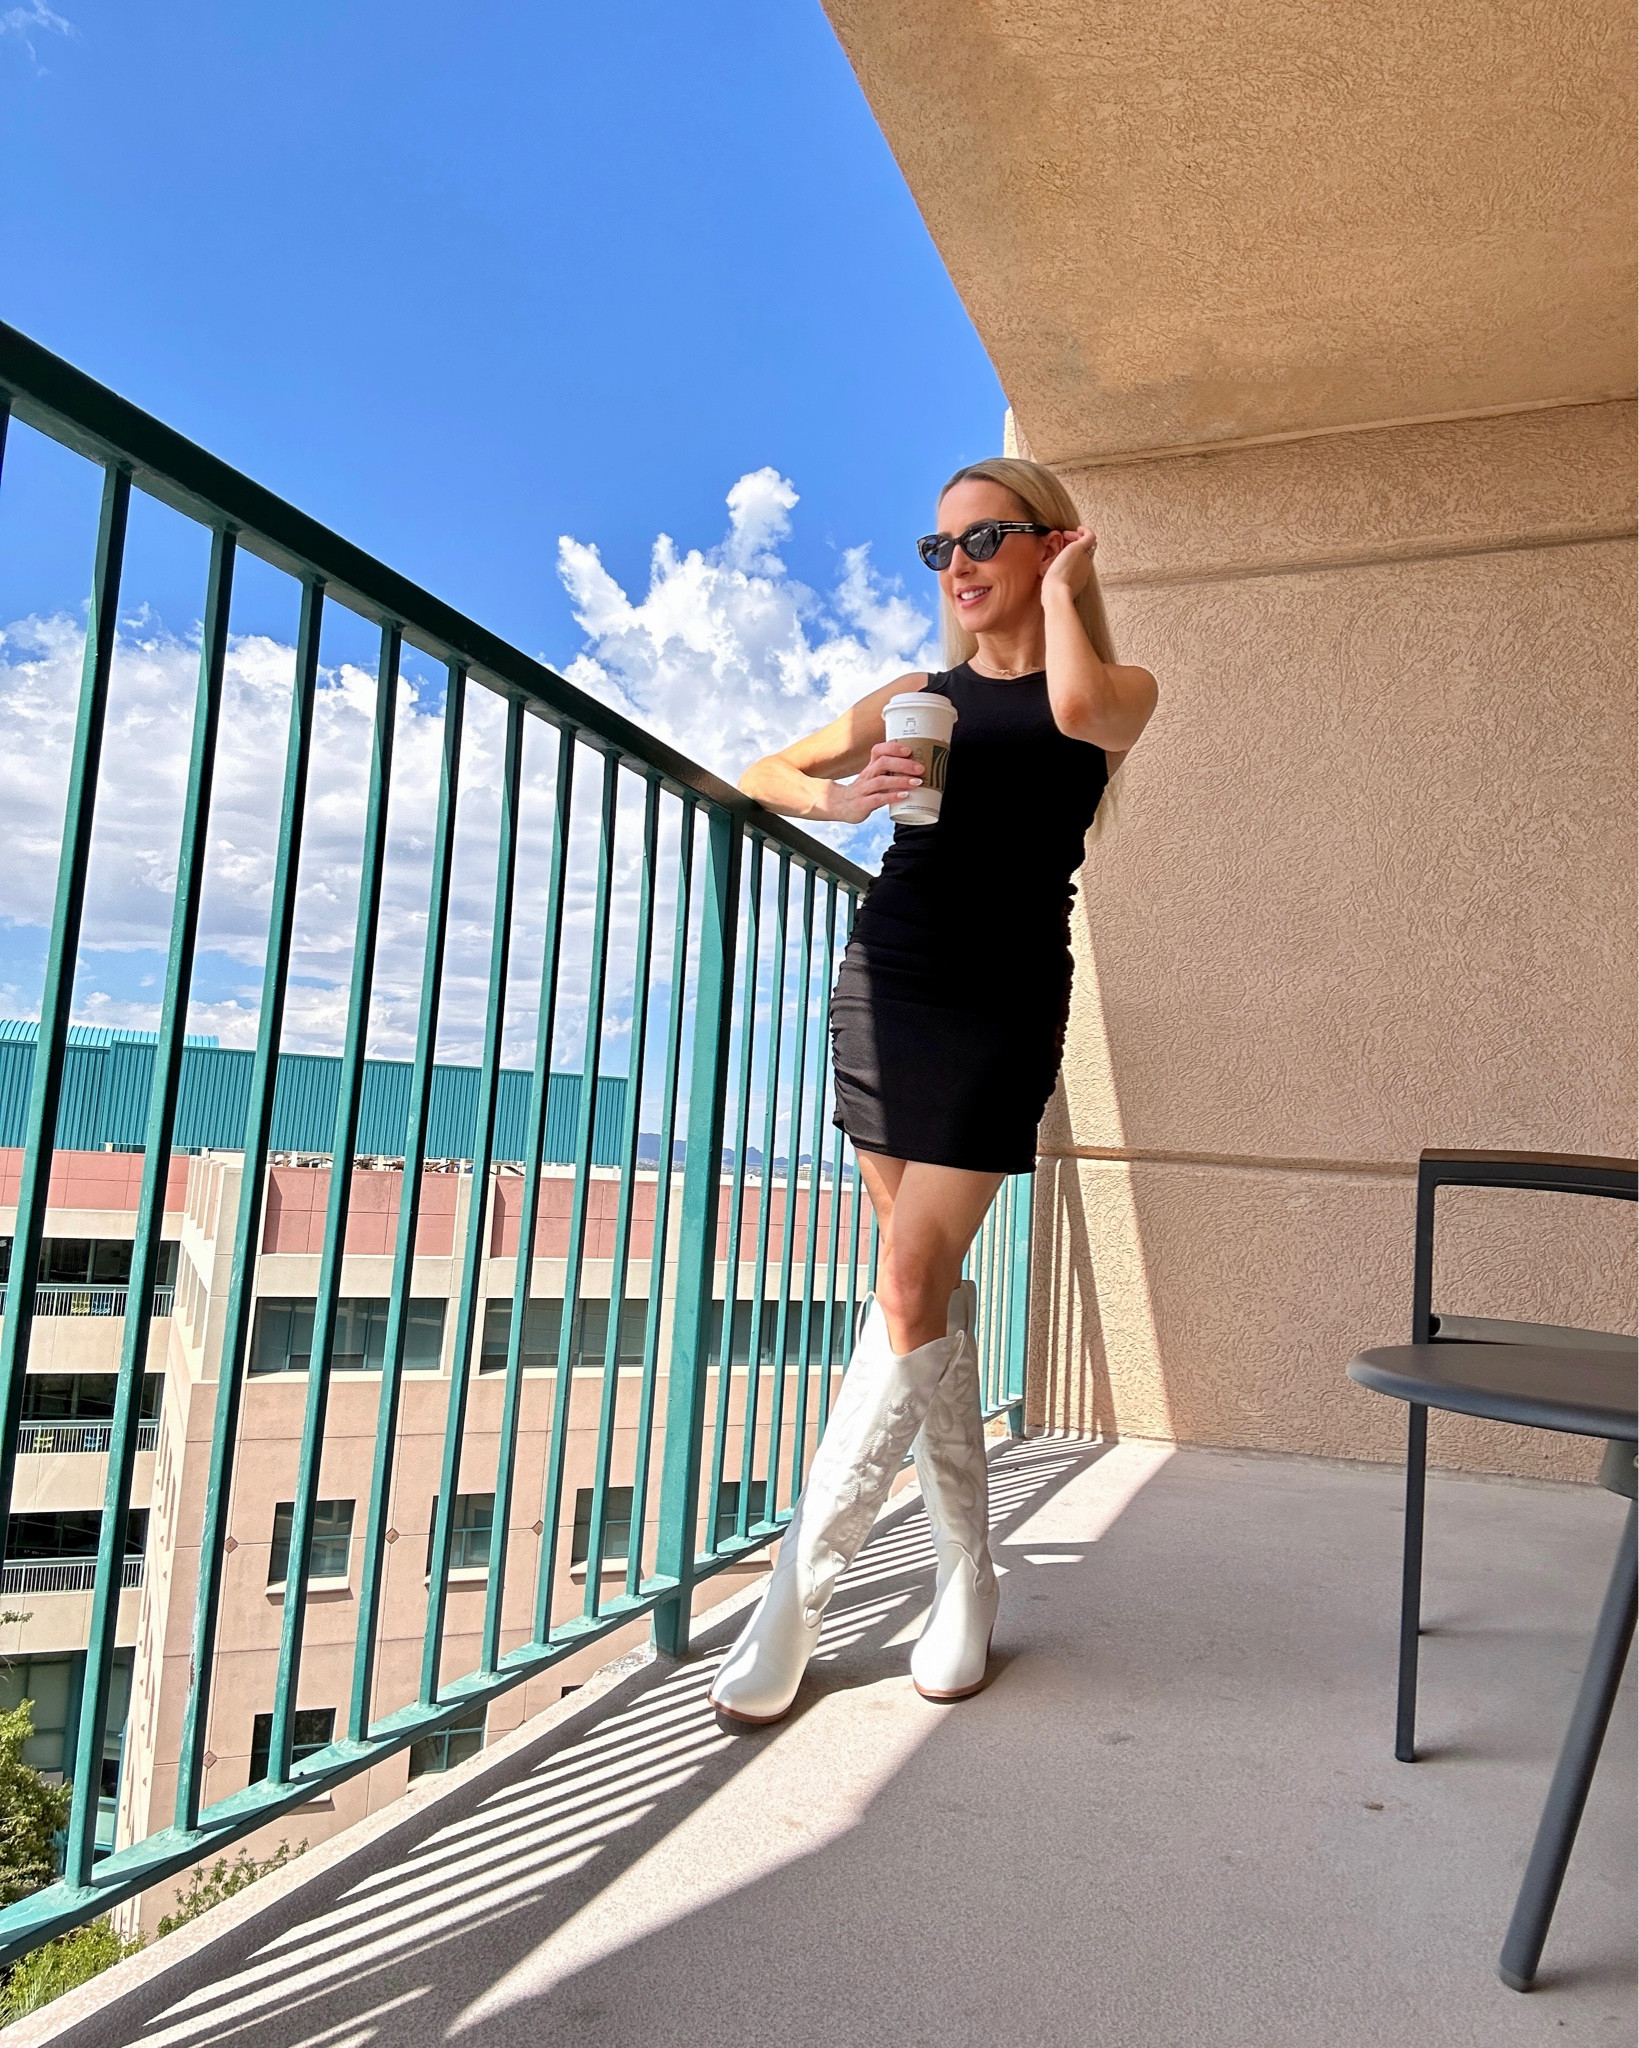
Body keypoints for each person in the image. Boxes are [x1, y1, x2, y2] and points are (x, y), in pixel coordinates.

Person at [709, 456, 1158, 1725]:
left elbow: (1084, 712)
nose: (955, 566)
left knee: (907, 1284)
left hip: (1004, 998)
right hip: (887, 981)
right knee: (927, 1294)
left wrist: (1066, 589)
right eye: (939, 548)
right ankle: (967, 1573)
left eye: (983, 540)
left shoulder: (1112, 683)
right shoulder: (916, 693)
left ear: (1047, 543)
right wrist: (844, 796)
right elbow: (765, 767)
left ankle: (793, 1599)